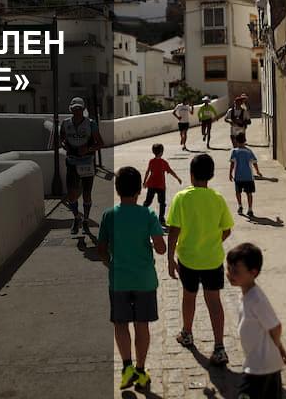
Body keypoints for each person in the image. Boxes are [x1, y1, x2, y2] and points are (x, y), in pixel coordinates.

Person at [97, 167, 167, 392]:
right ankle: (141, 370)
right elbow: (161, 248)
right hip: (144, 280)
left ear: (117, 190)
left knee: (120, 324)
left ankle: (126, 367)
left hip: (119, 280)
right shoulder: (148, 215)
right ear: (139, 190)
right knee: (141, 325)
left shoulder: (109, 215)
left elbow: (101, 249)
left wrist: (110, 264)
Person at [166, 153, 234, 366]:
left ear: (191, 174)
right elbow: (227, 230)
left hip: (188, 259)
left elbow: (173, 231)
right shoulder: (217, 198)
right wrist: (212, 243)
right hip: (212, 260)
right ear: (211, 175)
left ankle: (187, 333)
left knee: (189, 297)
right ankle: (219, 347)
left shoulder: (181, 198)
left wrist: (170, 258)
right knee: (214, 301)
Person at [226, 243, 286, 399]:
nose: (230, 274)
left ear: (253, 272)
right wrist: (279, 348)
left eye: (236, 271)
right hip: (263, 364)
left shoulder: (256, 299)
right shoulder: (246, 294)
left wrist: (277, 347)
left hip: (261, 367)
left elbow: (275, 327)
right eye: (228, 268)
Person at [60, 97, 104, 236]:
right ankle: (76, 217)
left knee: (86, 194)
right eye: (75, 109)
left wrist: (88, 149)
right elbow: (62, 138)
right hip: (72, 162)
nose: (77, 111)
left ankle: (85, 220)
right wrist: (64, 145)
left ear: (83, 109)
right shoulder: (65, 123)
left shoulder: (91, 124)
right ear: (71, 109)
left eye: (79, 109)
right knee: (71, 194)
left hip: (87, 163)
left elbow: (100, 143)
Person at [143, 143, 182, 226]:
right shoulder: (163, 162)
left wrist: (144, 182)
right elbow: (170, 171)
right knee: (162, 203)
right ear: (161, 152)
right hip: (161, 186)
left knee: (148, 201)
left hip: (152, 185)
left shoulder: (151, 161)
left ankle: (142, 214)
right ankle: (161, 218)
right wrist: (177, 178)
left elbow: (147, 172)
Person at [229, 132, 262, 217]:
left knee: (238, 192)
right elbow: (254, 162)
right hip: (248, 177)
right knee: (249, 193)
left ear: (236, 141)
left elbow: (232, 163)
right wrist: (258, 171)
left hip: (238, 176)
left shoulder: (235, 152)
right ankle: (250, 209)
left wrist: (230, 173)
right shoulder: (249, 151)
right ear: (245, 141)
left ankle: (240, 206)